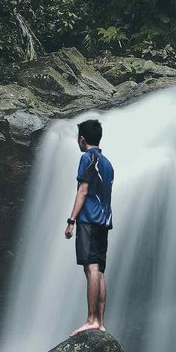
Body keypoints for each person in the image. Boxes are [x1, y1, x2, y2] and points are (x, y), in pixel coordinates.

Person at [64, 119, 114, 336]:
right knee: (99, 271)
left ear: (82, 139)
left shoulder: (87, 158)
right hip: (104, 221)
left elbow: (83, 190)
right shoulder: (108, 163)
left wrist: (71, 221)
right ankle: (100, 322)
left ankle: (91, 319)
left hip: (89, 220)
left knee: (91, 268)